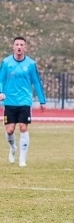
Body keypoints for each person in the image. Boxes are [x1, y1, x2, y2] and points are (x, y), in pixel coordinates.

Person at [0, 37, 47, 167]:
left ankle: (22, 159)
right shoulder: (6, 62)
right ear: (13, 47)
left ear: (25, 47)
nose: (19, 46)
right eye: (17, 44)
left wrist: (42, 100)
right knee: (9, 130)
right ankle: (13, 148)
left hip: (25, 101)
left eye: (21, 44)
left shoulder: (31, 64)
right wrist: (1, 92)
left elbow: (36, 82)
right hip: (9, 101)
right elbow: (1, 79)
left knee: (23, 127)